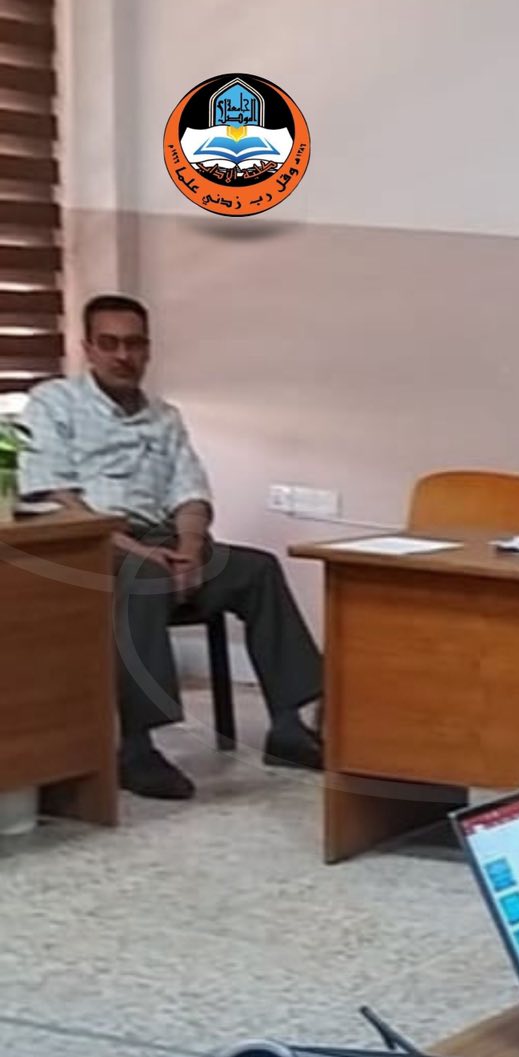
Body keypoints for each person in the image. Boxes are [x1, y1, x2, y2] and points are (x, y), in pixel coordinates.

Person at [19, 294, 324, 801]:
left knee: (257, 570)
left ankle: (288, 728)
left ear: (148, 349)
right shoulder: (53, 403)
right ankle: (137, 749)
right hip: (93, 544)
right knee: (143, 579)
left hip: (165, 541)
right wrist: (138, 552)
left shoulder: (165, 416)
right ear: (88, 348)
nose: (123, 356)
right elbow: (56, 495)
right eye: (109, 344)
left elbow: (190, 491)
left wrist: (189, 547)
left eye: (134, 344)